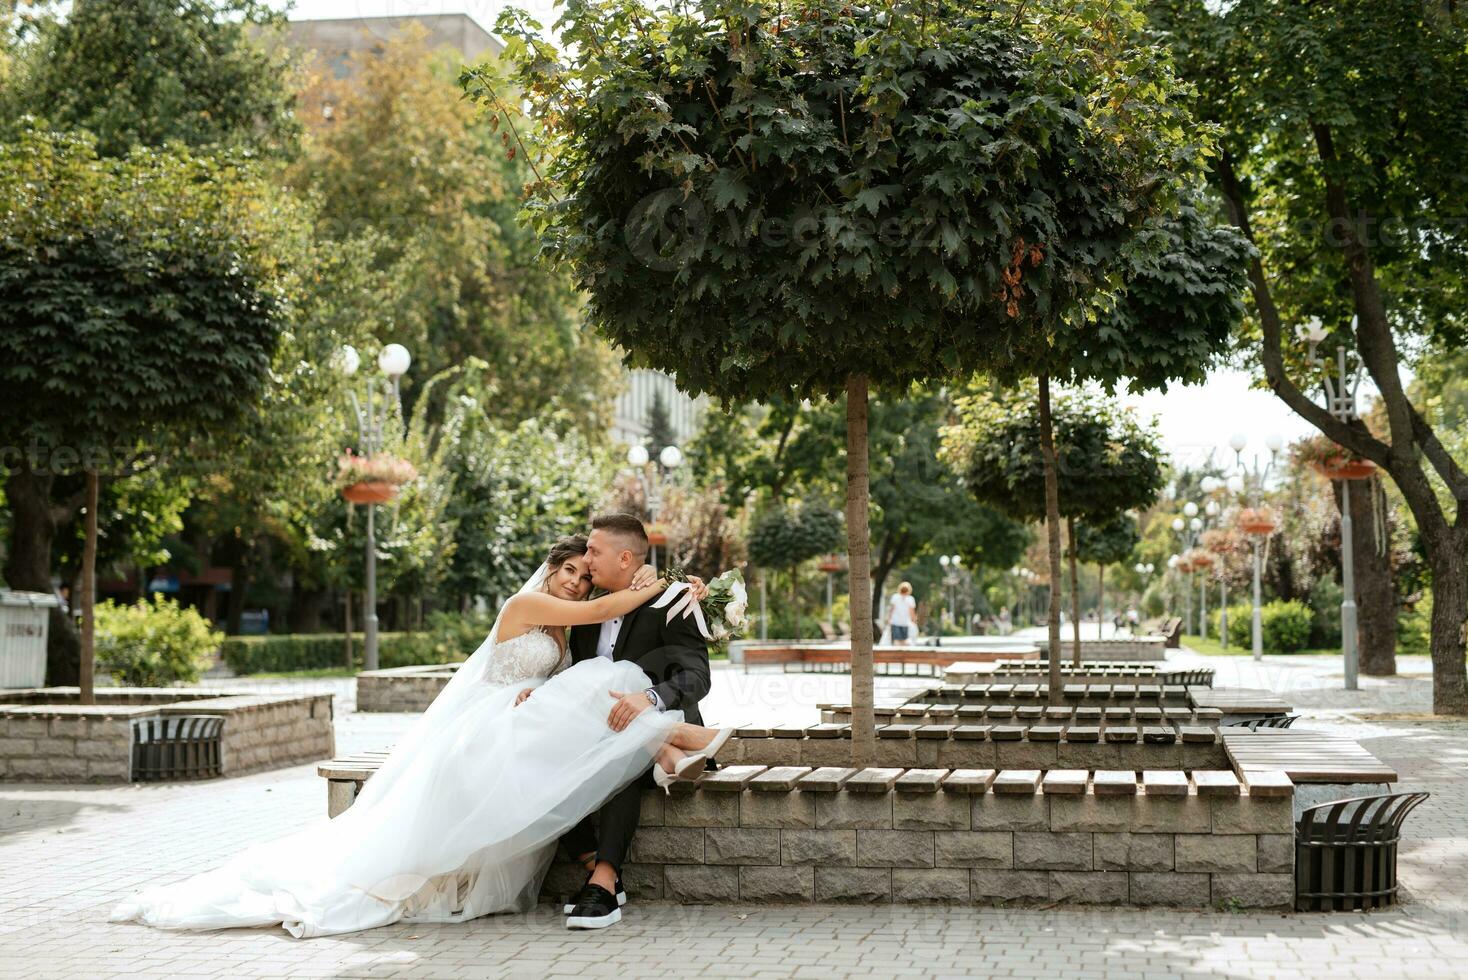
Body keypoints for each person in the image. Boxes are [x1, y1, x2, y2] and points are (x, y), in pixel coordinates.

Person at [109, 529, 730, 938]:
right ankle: (680, 744)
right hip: (487, 724)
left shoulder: (569, 631)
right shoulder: (527, 609)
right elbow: (601, 612)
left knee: (601, 683)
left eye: (583, 572)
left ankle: (667, 752)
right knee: (607, 678)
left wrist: (681, 591)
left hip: (524, 715)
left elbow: (575, 666)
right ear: (548, 571)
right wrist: (659, 585)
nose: (576, 579)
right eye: (567, 569)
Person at [558, 514, 716, 929]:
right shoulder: (585, 610)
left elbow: (697, 677)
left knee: (619, 749)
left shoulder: (670, 602)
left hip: (652, 723)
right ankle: (595, 865)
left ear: (625, 557)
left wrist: (650, 698)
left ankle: (606, 883)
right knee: (541, 757)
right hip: (595, 730)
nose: (587, 559)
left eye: (594, 551)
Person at [887, 582, 917, 646]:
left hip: (895, 622)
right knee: (904, 640)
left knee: (896, 640)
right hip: (905, 622)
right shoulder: (910, 599)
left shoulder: (895, 597)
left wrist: (889, 619)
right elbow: (912, 612)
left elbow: (891, 610)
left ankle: (895, 654)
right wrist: (914, 621)